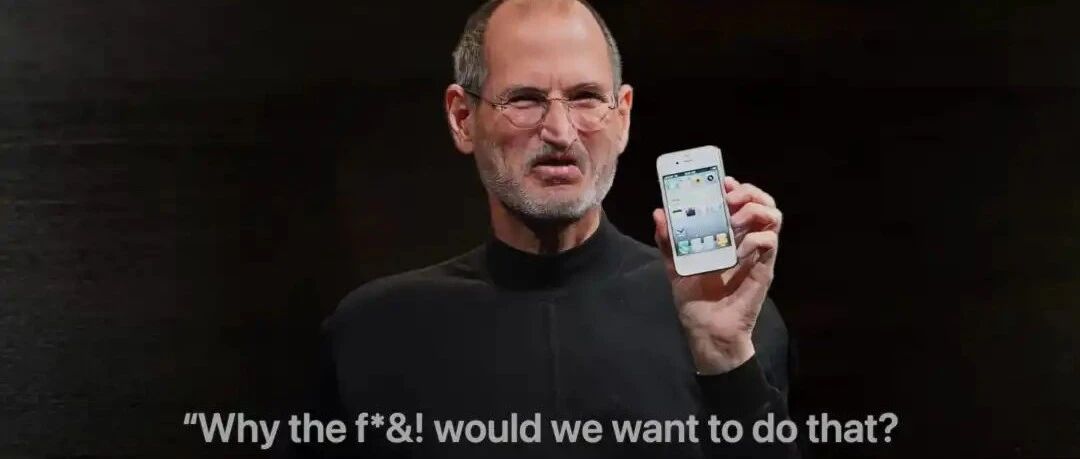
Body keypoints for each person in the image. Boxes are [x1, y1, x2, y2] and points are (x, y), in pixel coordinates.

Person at [301, 0, 796, 457]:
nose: (560, 132)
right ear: (462, 118)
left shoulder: (730, 317)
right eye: (525, 99)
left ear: (622, 117)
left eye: (586, 98)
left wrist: (725, 359)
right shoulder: (372, 334)